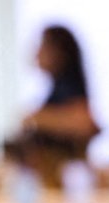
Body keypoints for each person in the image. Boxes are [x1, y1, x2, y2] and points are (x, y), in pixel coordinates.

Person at [9, 24, 100, 187]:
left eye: (43, 46)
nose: (37, 53)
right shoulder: (57, 86)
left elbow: (84, 122)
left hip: (65, 182)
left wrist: (36, 117)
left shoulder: (70, 85)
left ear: (59, 52)